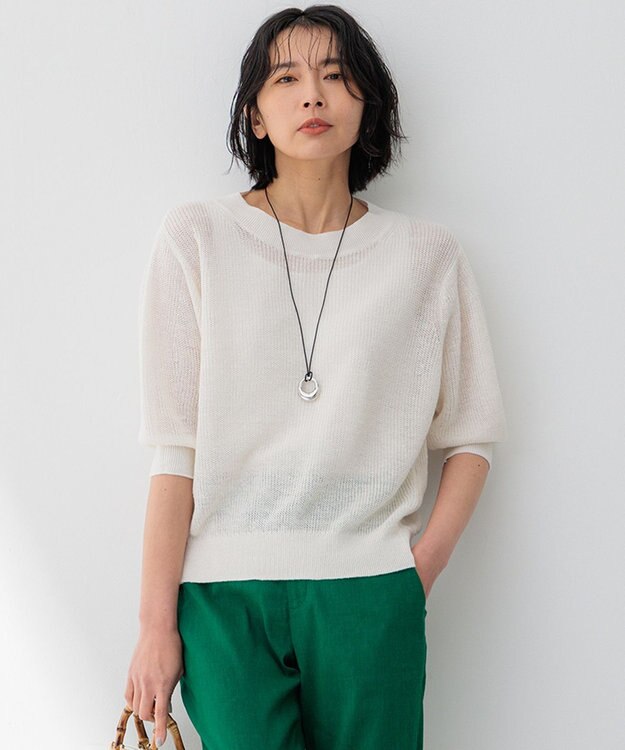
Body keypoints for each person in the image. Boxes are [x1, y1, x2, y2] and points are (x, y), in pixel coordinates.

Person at [124, 5, 508, 749]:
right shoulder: (196, 238)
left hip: (372, 593)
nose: (312, 95)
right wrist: (153, 626)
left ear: (367, 104)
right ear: (254, 114)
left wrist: (414, 574)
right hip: (223, 598)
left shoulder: (425, 255)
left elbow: (472, 436)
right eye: (286, 78)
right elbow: (174, 451)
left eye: (336, 75)